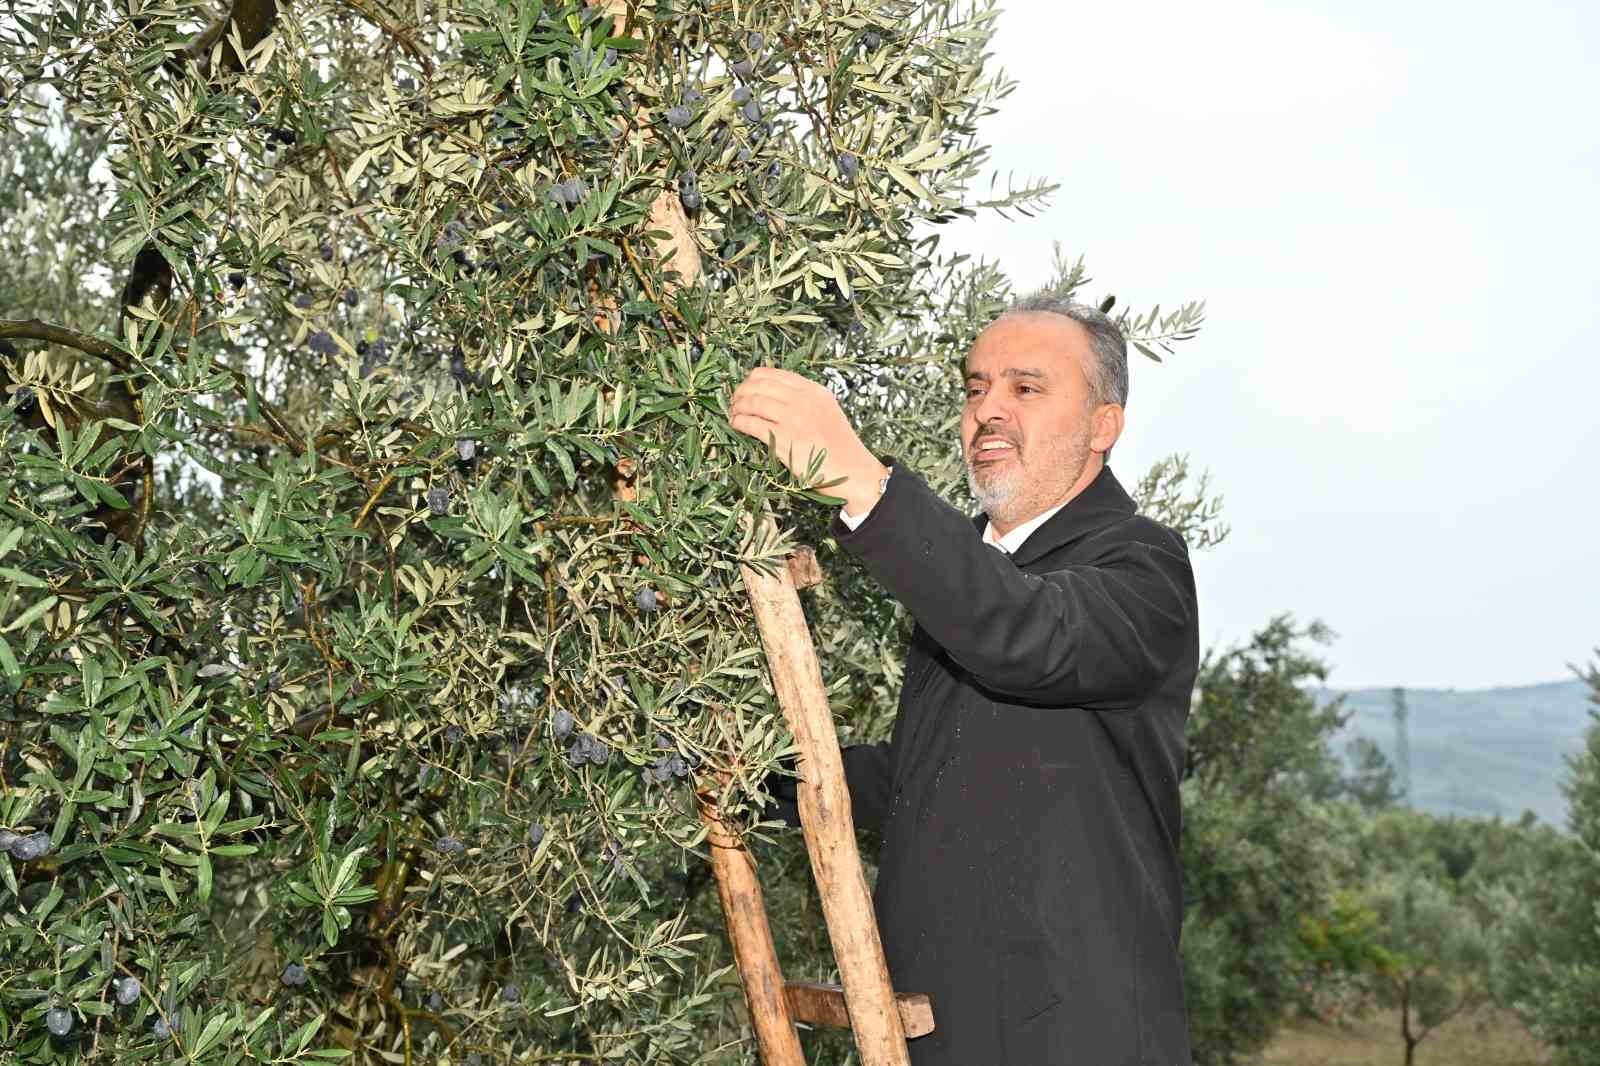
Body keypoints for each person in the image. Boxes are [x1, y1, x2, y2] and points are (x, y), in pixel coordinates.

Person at [727, 292, 1199, 1065]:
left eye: (1026, 388)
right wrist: (751, 779)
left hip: (1073, 1039)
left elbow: (1025, 632)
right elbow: (918, 776)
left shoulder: (1142, 566)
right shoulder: (975, 581)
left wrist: (858, 479)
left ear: (1103, 426)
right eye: (975, 387)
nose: (988, 410)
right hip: (932, 1033)